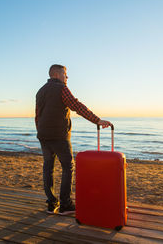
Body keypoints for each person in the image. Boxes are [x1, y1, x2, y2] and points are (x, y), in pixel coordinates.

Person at [35, 64, 112, 215]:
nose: (67, 77)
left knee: (48, 168)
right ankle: (65, 204)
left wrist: (40, 130)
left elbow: (37, 115)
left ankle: (51, 203)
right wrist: (97, 120)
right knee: (68, 167)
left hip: (43, 135)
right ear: (56, 75)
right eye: (65, 74)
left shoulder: (40, 91)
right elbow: (76, 105)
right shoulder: (61, 88)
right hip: (59, 136)